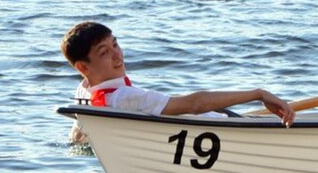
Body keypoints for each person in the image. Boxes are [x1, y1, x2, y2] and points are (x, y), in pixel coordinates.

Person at [61, 21, 295, 142]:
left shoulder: (84, 93)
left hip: (218, 122)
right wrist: (258, 93)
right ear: (83, 67)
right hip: (219, 128)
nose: (118, 55)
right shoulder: (123, 97)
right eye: (104, 52)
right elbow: (194, 104)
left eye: (116, 44)